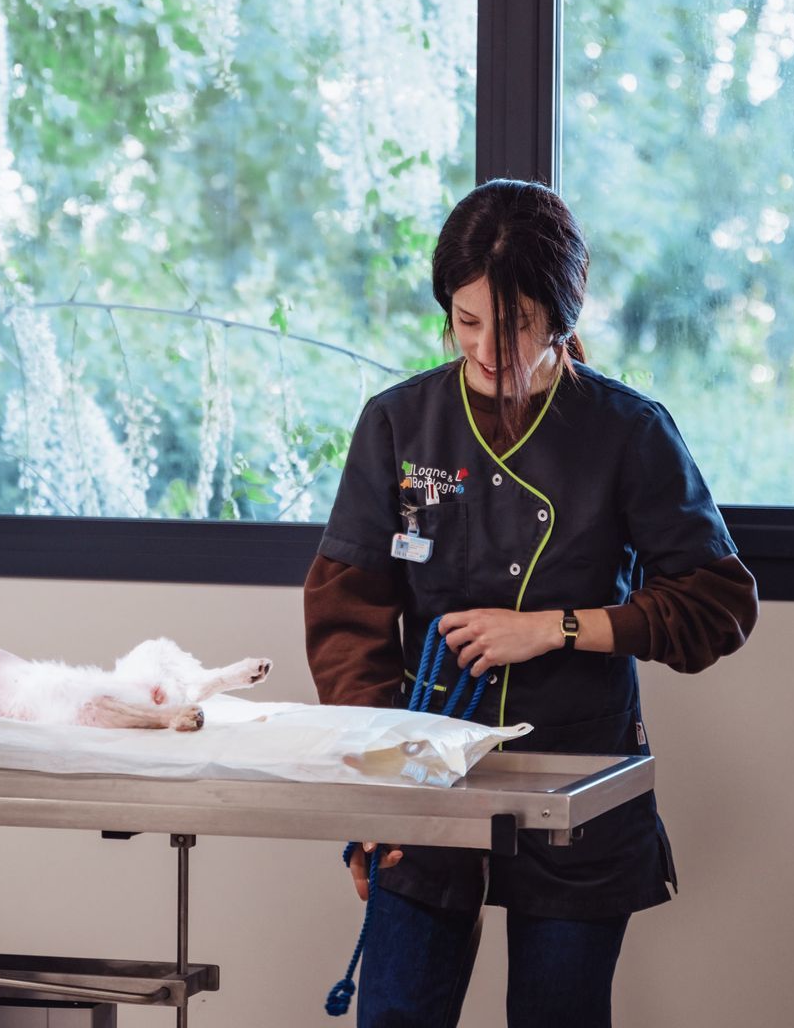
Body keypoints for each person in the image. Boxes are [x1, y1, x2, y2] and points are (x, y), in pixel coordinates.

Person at [305, 179, 758, 1027]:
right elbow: (347, 619)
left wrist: (557, 628)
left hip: (578, 785)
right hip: (423, 781)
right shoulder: (400, 424)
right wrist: (376, 797)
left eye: (511, 325)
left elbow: (719, 603)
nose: (486, 350)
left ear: (562, 308)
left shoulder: (627, 430)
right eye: (465, 321)